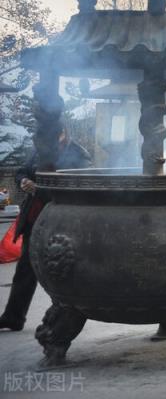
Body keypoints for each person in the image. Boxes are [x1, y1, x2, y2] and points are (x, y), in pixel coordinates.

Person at [0, 131, 91, 331]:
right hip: (34, 219)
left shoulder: (79, 154)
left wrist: (39, 189)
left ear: (63, 133)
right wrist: (23, 181)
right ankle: (13, 316)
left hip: (62, 223)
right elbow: (21, 171)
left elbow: (76, 188)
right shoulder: (39, 149)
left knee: (62, 272)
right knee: (25, 269)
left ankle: (67, 318)